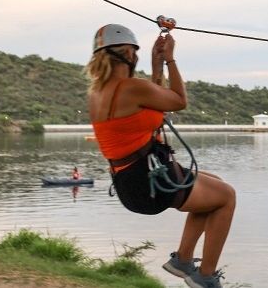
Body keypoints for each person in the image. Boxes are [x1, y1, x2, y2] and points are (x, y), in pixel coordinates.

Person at [86, 24, 235, 288]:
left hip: (131, 182)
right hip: (148, 182)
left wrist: (158, 67)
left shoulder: (99, 92)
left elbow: (154, 105)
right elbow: (178, 101)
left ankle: (183, 260)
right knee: (226, 197)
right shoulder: (131, 87)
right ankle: (205, 277)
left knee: (215, 185)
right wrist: (170, 59)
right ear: (129, 54)